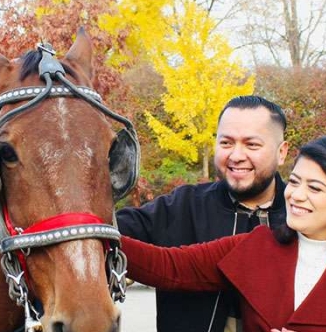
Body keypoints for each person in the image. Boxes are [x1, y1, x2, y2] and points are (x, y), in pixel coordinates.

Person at [120, 134, 326, 331]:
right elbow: (167, 266)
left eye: (314, 188)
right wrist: (89, 232)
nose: (296, 195)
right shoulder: (257, 247)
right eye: (296, 181)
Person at [116, 95, 290, 332]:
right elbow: (107, 232)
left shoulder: (305, 215)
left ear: (282, 152)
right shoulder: (182, 206)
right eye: (226, 143)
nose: (236, 156)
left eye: (252, 144)